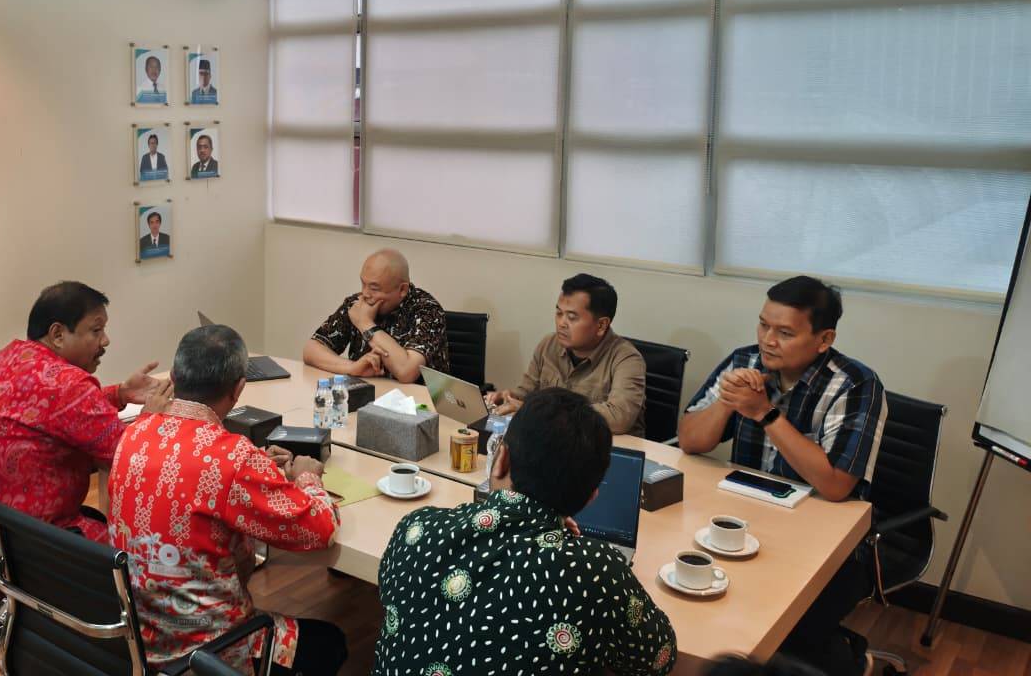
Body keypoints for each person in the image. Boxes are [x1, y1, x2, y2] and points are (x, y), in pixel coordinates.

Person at [374, 387, 676, 675]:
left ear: (501, 459)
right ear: (590, 498)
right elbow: (656, 659)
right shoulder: (597, 571)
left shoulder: (416, 527)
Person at [678, 276, 887, 676]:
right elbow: (689, 440)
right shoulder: (744, 361)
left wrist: (765, 413)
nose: (767, 340)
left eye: (785, 333)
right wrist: (728, 401)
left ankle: (847, 658)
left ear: (824, 339)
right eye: (763, 325)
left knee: (784, 632)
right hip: (745, 520)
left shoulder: (856, 384)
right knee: (700, 599)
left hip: (826, 541)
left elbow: (836, 485)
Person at [109, 325, 346, 676]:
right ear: (238, 388)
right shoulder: (233, 458)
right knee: (331, 642)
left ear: (173, 378)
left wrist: (258, 467)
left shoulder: (134, 433)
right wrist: (308, 477)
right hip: (207, 653)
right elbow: (321, 529)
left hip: (140, 636)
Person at [0, 281, 168, 600]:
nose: (106, 340)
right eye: (96, 330)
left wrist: (119, 394)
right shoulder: (67, 385)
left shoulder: (7, 358)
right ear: (58, 334)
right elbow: (131, 457)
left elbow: (56, 414)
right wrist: (151, 416)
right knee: (155, 558)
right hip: (24, 560)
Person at [488, 273, 646, 435]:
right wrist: (507, 398)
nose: (561, 323)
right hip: (555, 441)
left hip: (605, 447)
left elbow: (619, 417)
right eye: (559, 313)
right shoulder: (548, 345)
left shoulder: (627, 359)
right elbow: (526, 393)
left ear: (601, 325)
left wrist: (545, 412)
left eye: (571, 317)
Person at [304, 248, 448, 382]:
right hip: (369, 392)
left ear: (402, 290)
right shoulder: (357, 304)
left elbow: (407, 371)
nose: (365, 293)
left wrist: (365, 324)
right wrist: (352, 368)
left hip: (417, 398)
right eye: (363, 284)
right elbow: (311, 349)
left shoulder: (428, 311)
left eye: (374, 288)